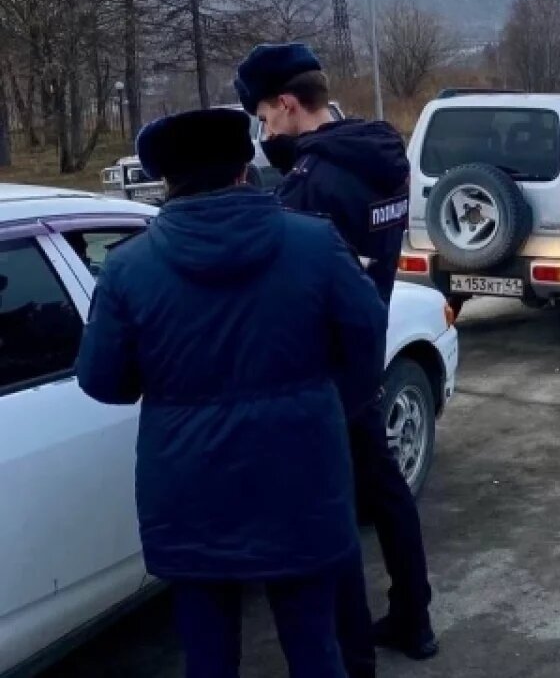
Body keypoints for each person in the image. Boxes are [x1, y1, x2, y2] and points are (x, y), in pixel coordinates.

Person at [75, 108, 387, 678]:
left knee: (208, 657)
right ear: (246, 170)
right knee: (317, 648)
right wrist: (327, 408)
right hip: (302, 476)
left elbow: (102, 381)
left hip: (190, 489)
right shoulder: (316, 244)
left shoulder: (127, 268)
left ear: (166, 184)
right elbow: (367, 341)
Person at [235, 43, 439, 664]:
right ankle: (414, 617)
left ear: (288, 104)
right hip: (366, 345)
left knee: (336, 507)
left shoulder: (314, 182)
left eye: (265, 118)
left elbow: (293, 278)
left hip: (321, 366)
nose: (264, 132)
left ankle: (349, 648)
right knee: (387, 491)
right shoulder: (379, 152)